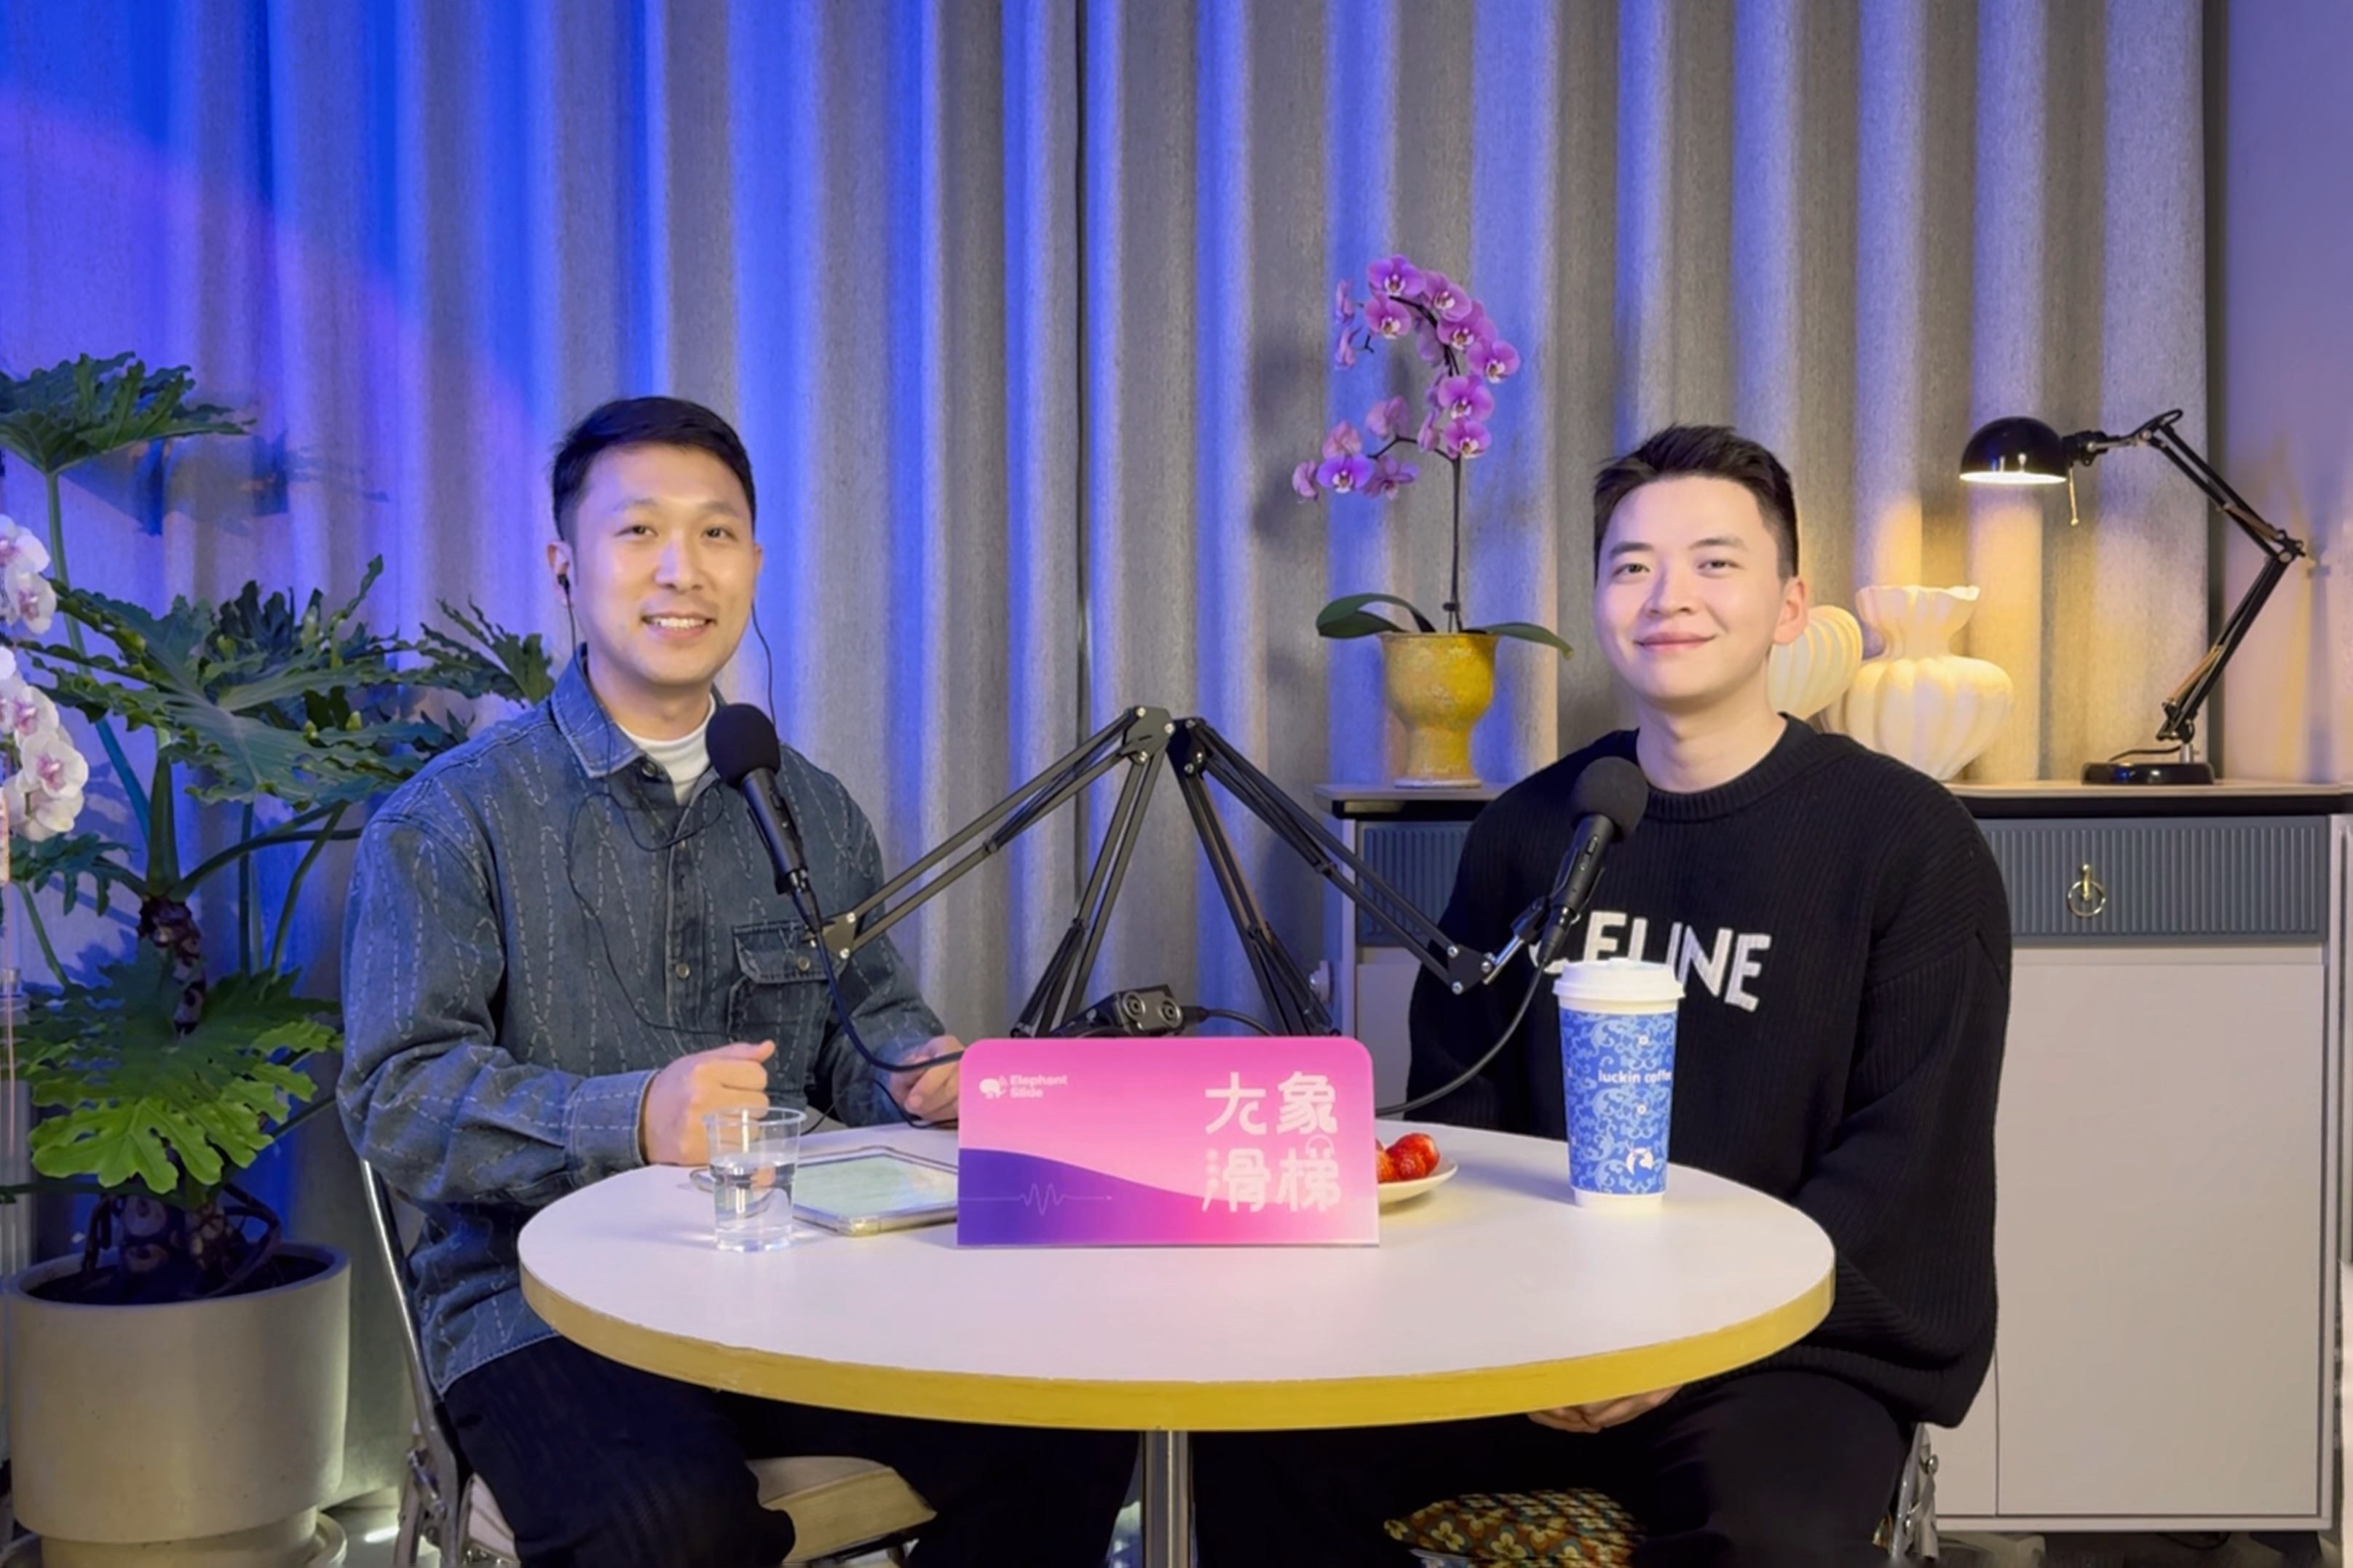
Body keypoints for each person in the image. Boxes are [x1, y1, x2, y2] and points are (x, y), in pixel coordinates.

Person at [1194, 424, 2011, 1565]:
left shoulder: (1906, 841)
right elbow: (1462, 1119)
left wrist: (1690, 1334)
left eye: (1716, 562)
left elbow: (1903, 1159)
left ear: (1790, 606)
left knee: (1770, 1539)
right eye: (1633, 565)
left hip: (1780, 1350)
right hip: (1532, 1328)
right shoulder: (1530, 831)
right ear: (1598, 601)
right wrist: (1532, 1324)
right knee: (1252, 1437)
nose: (1670, 595)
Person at [339, 396, 1134, 1568]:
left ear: (754, 563)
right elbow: (399, 1095)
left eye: (715, 533)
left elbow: (867, 1028)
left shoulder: (811, 807)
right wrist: (632, 1119)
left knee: (1073, 1411)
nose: (682, 569)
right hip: (537, 1307)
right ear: (565, 565)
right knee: (672, 1525)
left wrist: (922, 1076)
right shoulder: (452, 817)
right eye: (638, 531)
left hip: (799, 1279)